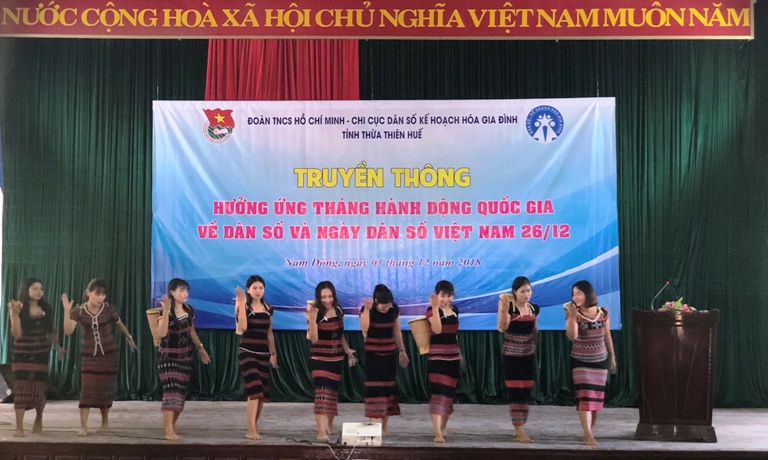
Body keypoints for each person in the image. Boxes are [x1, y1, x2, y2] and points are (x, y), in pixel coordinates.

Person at [62, 278, 136, 437]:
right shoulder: (79, 311)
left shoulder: (109, 309)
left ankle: (104, 422)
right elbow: (68, 331)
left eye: (103, 294)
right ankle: (84, 427)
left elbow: (119, 323)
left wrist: (129, 337)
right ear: (88, 293)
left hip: (109, 355)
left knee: (104, 390)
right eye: (97, 294)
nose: (101, 297)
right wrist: (67, 310)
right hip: (89, 355)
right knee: (86, 390)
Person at [8, 278, 66, 437]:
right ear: (26, 290)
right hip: (22, 354)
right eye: (35, 288)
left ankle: (39, 418)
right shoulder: (18, 308)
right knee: (21, 388)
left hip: (41, 353)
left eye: (41, 288)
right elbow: (16, 334)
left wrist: (58, 346)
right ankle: (19, 428)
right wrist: (14, 314)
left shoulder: (46, 308)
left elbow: (51, 330)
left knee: (39, 389)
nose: (39, 291)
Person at [156, 278, 211, 441]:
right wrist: (166, 311)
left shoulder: (189, 309)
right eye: (181, 290)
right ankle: (168, 430)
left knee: (180, 394)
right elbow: (162, 333)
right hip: (168, 358)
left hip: (185, 356)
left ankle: (171, 425)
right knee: (171, 392)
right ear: (172, 292)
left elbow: (191, 331)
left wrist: (201, 348)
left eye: (186, 290)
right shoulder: (164, 311)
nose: (185, 293)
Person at [564, 280, 616, 447]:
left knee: (596, 401)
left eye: (579, 294)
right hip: (580, 361)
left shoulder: (603, 312)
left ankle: (589, 431)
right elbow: (572, 336)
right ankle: (587, 434)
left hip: (600, 361)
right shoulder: (572, 312)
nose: (575, 297)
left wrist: (612, 357)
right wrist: (572, 317)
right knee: (585, 398)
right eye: (573, 294)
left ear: (588, 294)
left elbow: (607, 336)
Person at [307, 280, 356, 442]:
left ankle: (330, 424)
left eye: (330, 296)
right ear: (318, 298)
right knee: (322, 392)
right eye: (323, 297)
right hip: (319, 358)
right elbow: (313, 339)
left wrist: (348, 351)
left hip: (336, 359)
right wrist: (312, 320)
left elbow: (340, 334)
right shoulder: (314, 312)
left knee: (332, 393)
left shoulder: (339, 310)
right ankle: (321, 431)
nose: (327, 300)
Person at [359, 284, 409, 436]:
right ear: (375, 301)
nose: (386, 309)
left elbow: (397, 331)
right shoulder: (367, 309)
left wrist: (402, 350)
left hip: (389, 355)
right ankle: (373, 426)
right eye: (383, 307)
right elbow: (364, 329)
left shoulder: (394, 309)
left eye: (388, 306)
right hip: (373, 356)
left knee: (387, 390)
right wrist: (367, 311)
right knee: (374, 390)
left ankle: (384, 427)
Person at [234, 275, 278, 440]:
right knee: (254, 389)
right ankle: (250, 429)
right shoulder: (244, 307)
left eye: (260, 288)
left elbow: (269, 333)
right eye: (254, 288)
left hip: (263, 353)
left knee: (262, 393)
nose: (258, 291)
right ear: (248, 290)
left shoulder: (268, 308)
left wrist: (273, 353)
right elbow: (242, 327)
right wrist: (241, 302)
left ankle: (254, 424)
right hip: (247, 352)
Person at [497, 276, 539, 443]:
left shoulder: (534, 309)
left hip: (528, 356)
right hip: (511, 357)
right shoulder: (511, 307)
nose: (526, 294)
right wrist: (504, 309)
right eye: (522, 291)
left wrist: (535, 344)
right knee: (516, 392)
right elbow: (503, 327)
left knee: (526, 391)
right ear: (515, 292)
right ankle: (519, 428)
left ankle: (521, 424)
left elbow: (535, 329)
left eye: (528, 291)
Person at [426, 280, 460, 443]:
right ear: (436, 295)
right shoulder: (430, 311)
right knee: (438, 394)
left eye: (449, 296)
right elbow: (437, 330)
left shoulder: (455, 311)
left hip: (453, 357)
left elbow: (455, 334)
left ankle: (443, 428)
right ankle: (437, 433)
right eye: (443, 295)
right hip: (437, 358)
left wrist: (460, 354)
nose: (446, 299)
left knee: (448, 395)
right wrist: (434, 307)